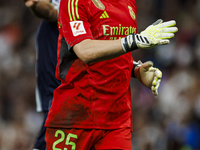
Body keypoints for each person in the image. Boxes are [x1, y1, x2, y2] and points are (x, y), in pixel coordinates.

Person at [45, 0, 178, 149]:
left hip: (116, 122)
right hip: (75, 118)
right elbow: (85, 50)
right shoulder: (74, 2)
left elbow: (116, 50)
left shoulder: (129, 3)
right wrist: (134, 40)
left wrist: (136, 70)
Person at [22, 0, 61, 150]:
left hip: (59, 96)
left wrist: (33, 3)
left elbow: (51, 12)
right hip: (57, 96)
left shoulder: (71, 6)